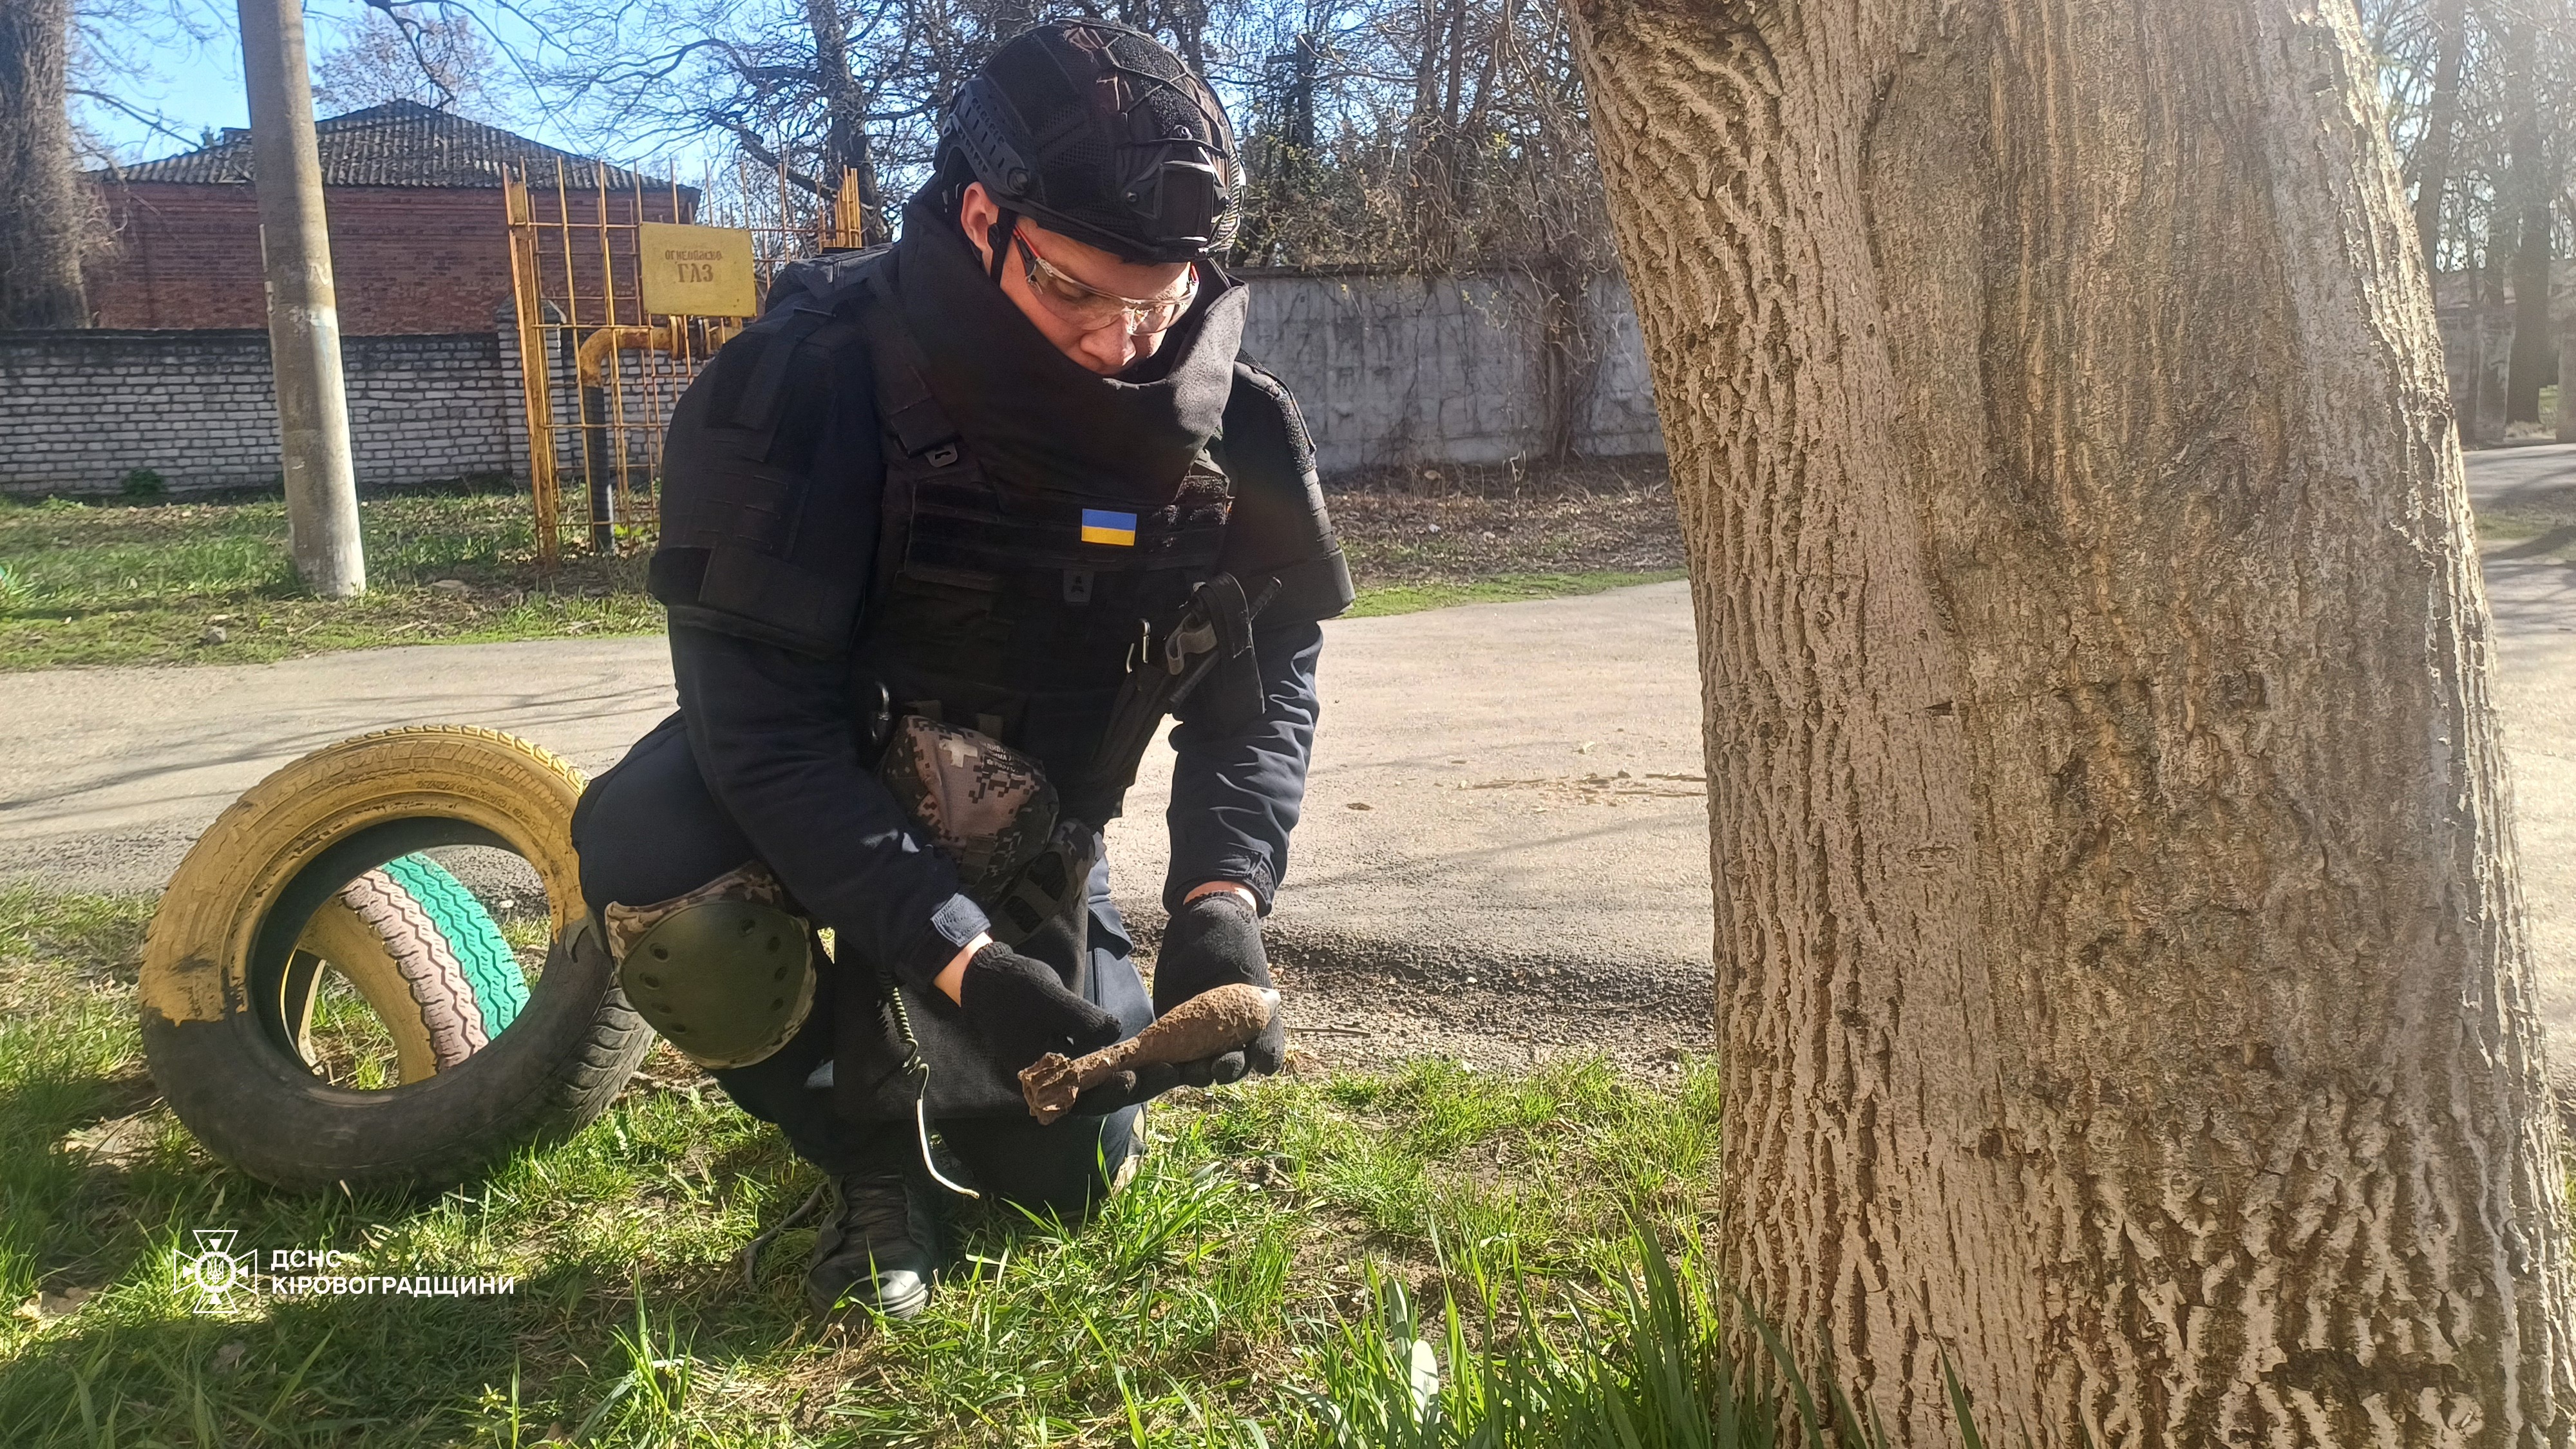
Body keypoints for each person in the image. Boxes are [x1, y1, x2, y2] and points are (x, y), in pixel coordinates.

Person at [569, 18, 1352, 1320]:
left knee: (1062, 1176)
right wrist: (962, 970)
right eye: (1072, 294)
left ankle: (977, 1099)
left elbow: (1261, 689)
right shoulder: (806, 381)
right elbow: (760, 736)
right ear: (981, 216)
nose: (1117, 343)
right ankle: (870, 1158)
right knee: (669, 888)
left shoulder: (1236, 428)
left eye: (1155, 303)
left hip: (1024, 825)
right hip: (808, 797)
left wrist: (1223, 895)